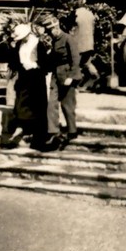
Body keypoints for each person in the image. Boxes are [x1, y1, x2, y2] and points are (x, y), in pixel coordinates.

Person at [41, 14, 81, 150]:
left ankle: (72, 131)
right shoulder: (53, 41)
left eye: (52, 29)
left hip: (67, 73)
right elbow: (52, 59)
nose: (51, 32)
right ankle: (53, 131)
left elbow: (75, 59)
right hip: (55, 74)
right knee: (51, 103)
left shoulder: (68, 39)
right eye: (49, 30)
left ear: (57, 27)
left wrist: (72, 76)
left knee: (67, 105)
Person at [5, 24, 43, 148]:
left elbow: (44, 61)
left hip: (36, 77)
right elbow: (15, 60)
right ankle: (21, 128)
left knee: (33, 104)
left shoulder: (38, 44)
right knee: (20, 103)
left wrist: (35, 65)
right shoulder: (19, 45)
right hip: (23, 76)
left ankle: (31, 132)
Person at [71, 4, 99, 91]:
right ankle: (96, 77)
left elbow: (72, 29)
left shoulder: (75, 13)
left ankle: (75, 85)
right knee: (87, 62)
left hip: (79, 42)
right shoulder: (90, 14)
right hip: (89, 42)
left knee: (76, 63)